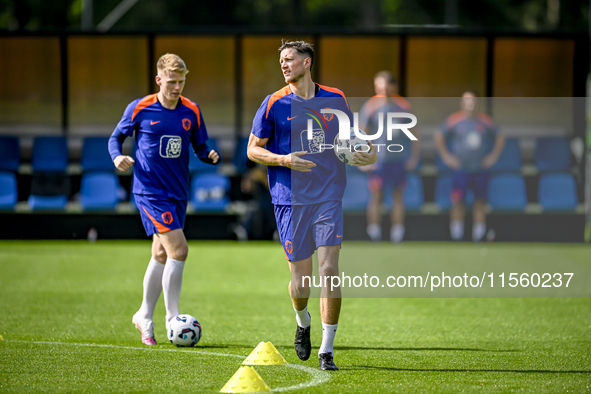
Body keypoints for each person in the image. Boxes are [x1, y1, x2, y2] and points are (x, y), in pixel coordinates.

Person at [247, 40, 377, 371]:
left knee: (330, 270)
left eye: (289, 59)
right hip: (289, 198)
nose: (284, 64)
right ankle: (302, 320)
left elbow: (353, 140)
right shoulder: (273, 103)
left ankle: (327, 350)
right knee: (301, 281)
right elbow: (253, 149)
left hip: (328, 195)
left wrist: (368, 153)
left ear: (307, 63)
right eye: (281, 60)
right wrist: (282, 159)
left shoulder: (335, 98)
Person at [108, 53, 220, 345]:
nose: (177, 87)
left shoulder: (191, 111)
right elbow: (114, 138)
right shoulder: (140, 108)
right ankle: (173, 318)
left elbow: (200, 144)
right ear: (158, 80)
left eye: (181, 81)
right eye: (171, 82)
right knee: (179, 251)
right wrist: (117, 156)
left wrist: (208, 155)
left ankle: (144, 315)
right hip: (150, 192)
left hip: (178, 191)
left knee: (160, 254)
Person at [434, 90, 505, 242]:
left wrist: (493, 157)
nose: (470, 104)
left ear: (477, 103)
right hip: (461, 170)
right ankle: (456, 235)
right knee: (457, 201)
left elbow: (500, 136)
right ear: (462, 103)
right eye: (467, 101)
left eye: (472, 101)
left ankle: (478, 236)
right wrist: (447, 157)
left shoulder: (485, 121)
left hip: (479, 169)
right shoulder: (454, 120)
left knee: (479, 202)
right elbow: (439, 135)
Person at [359, 71, 420, 243]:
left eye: (386, 86)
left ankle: (397, 233)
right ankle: (374, 233)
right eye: (379, 86)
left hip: (398, 160)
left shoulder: (404, 106)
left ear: (394, 86)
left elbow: (414, 134)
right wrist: (363, 159)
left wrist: (413, 158)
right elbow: (361, 133)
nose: (383, 90)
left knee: (398, 195)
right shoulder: (370, 106)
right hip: (378, 160)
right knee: (376, 195)